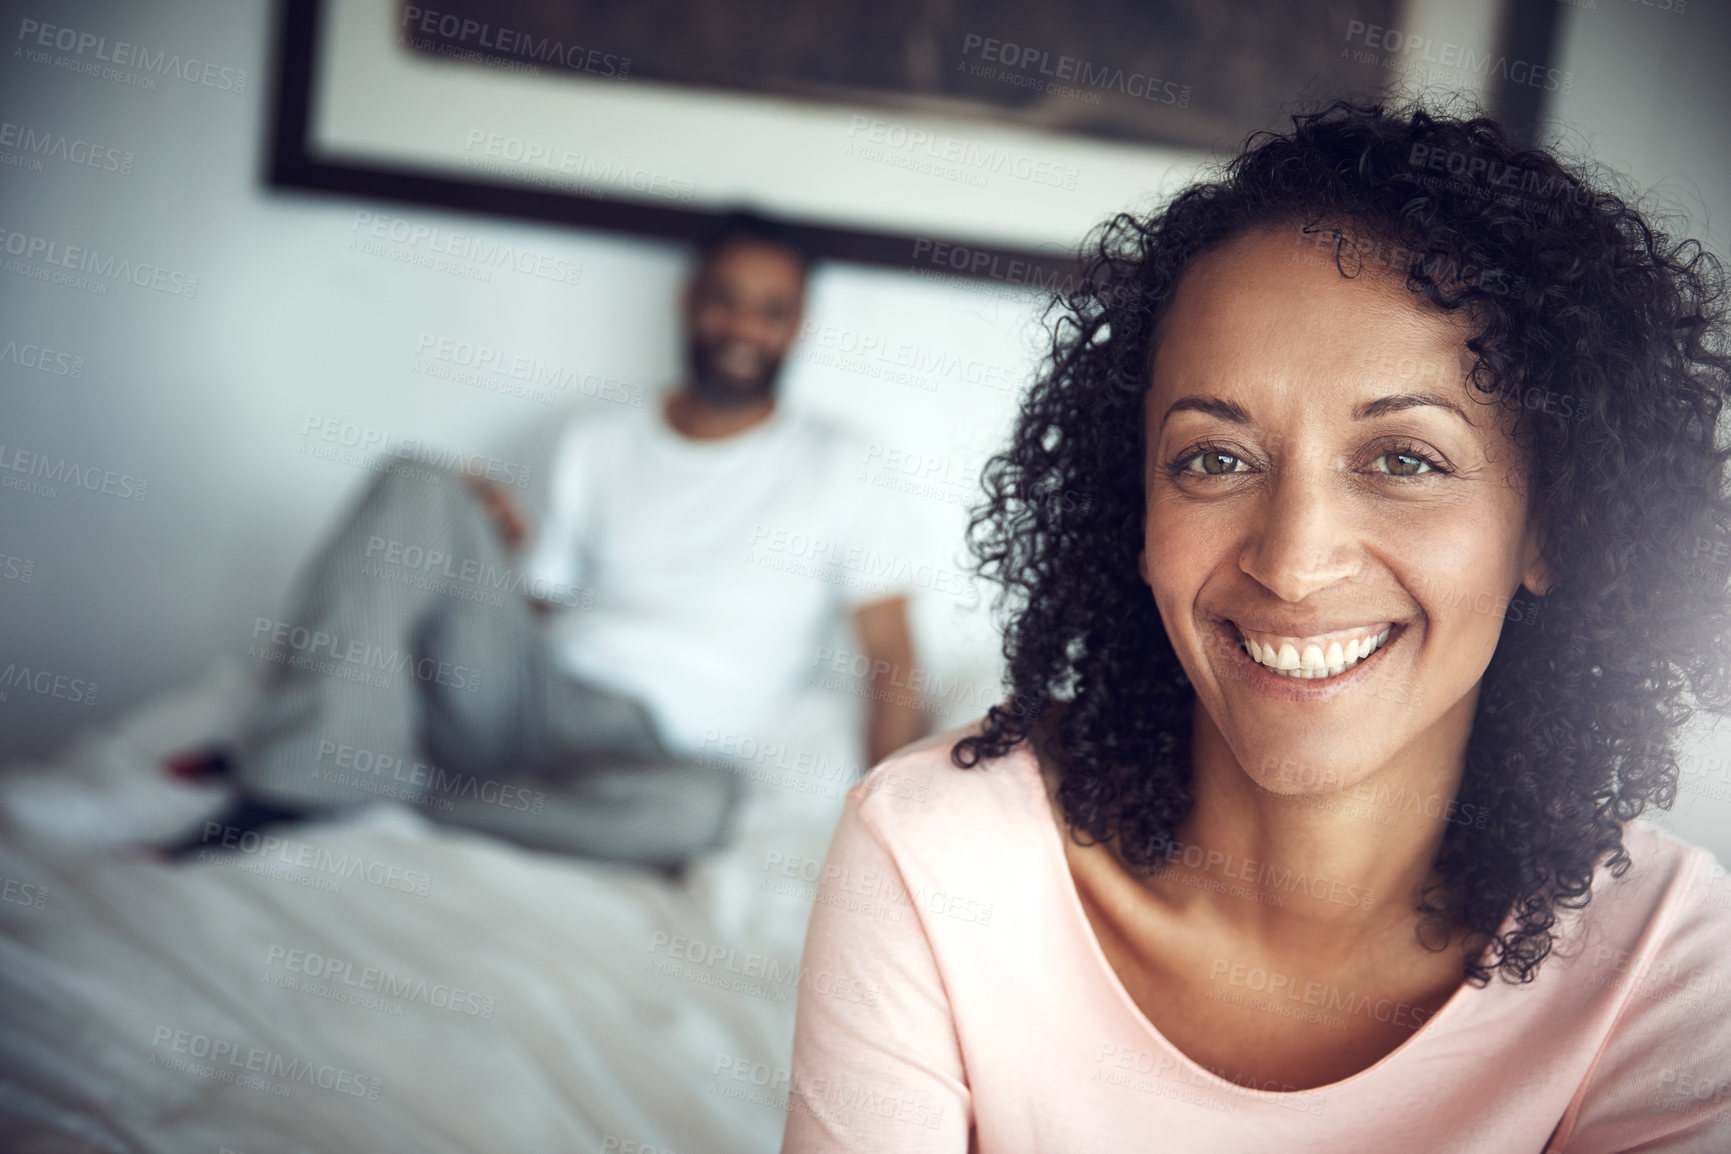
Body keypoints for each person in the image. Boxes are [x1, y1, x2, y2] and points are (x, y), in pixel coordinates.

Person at [782, 100, 1731, 1151]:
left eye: (1404, 460)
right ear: (1134, 511)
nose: (1290, 561)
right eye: (1214, 458)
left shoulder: (1671, 961)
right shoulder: (935, 854)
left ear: (1548, 525)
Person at [176, 212, 927, 869]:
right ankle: (298, 773)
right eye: (724, 299)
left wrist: (890, 824)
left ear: (796, 325)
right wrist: (487, 557)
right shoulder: (597, 439)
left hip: (661, 753)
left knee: (696, 813)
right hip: (530, 698)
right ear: (689, 301)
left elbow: (889, 656)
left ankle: (385, 789)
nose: (742, 326)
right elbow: (536, 605)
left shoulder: (845, 466)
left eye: (771, 309)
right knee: (418, 485)